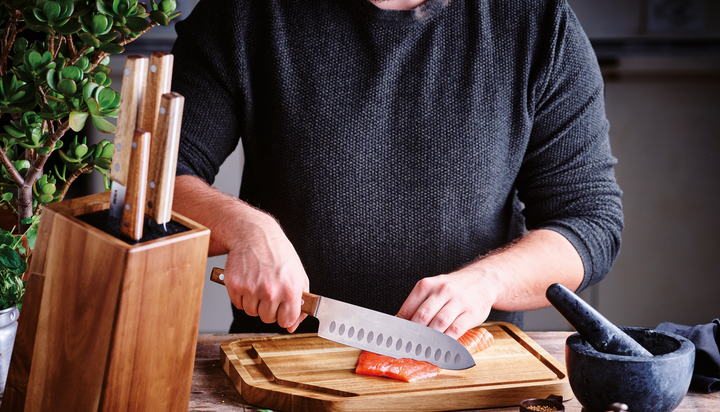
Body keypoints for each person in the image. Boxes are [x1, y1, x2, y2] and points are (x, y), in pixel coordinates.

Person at [170, 0, 623, 338]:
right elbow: (156, 180)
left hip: (464, 369)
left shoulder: (536, 22)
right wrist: (246, 228)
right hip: (283, 363)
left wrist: (488, 282)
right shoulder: (244, 12)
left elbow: (589, 223)